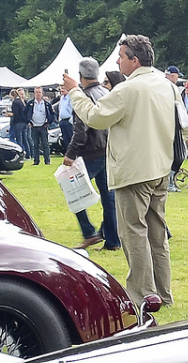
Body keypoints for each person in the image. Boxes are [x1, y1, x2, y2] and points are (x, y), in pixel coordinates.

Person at [79, 34, 178, 307]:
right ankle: (164, 293)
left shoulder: (127, 89)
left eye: (121, 56)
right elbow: (185, 126)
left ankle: (144, 294)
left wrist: (75, 93)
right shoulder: (166, 86)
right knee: (157, 234)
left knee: (133, 232)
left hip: (134, 171)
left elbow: (95, 117)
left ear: (134, 60)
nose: (118, 60)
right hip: (160, 168)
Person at [62, 58, 118, 251]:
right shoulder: (106, 92)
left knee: (73, 191)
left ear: (81, 76)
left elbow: (80, 130)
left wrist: (70, 154)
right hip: (108, 151)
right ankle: (113, 240)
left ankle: (89, 232)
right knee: (108, 197)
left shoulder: (83, 97)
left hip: (90, 152)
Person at [29, 88, 52, 164]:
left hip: (43, 126)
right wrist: (28, 122)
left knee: (45, 144)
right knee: (35, 145)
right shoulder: (30, 104)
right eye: (36, 92)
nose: (38, 94)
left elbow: (52, 114)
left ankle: (47, 160)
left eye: (39, 92)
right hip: (34, 126)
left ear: (42, 94)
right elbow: (25, 113)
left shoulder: (47, 104)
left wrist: (48, 122)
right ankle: (36, 161)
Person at [8, 88, 31, 154]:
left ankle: (21, 153)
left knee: (19, 139)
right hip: (24, 122)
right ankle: (28, 154)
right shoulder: (21, 102)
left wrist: (10, 115)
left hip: (18, 122)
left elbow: (15, 113)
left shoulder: (15, 102)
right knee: (25, 139)